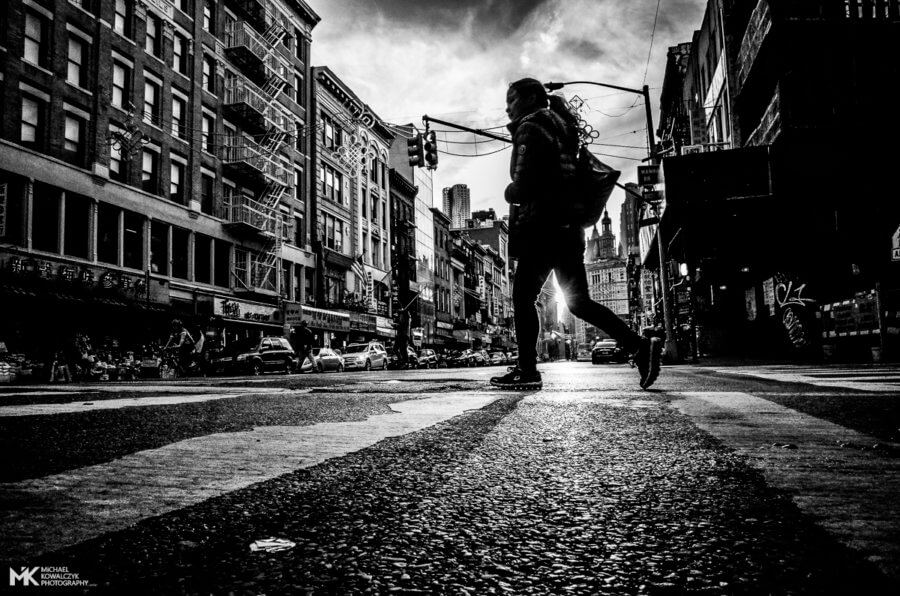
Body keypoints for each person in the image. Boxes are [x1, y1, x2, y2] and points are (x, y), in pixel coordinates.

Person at [490, 78, 662, 390]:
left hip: (542, 227)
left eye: (511, 99)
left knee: (523, 297)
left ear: (530, 98)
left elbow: (527, 184)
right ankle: (638, 346)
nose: (507, 107)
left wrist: (509, 191)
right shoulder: (562, 125)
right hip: (568, 227)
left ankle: (527, 370)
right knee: (579, 302)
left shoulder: (531, 126)